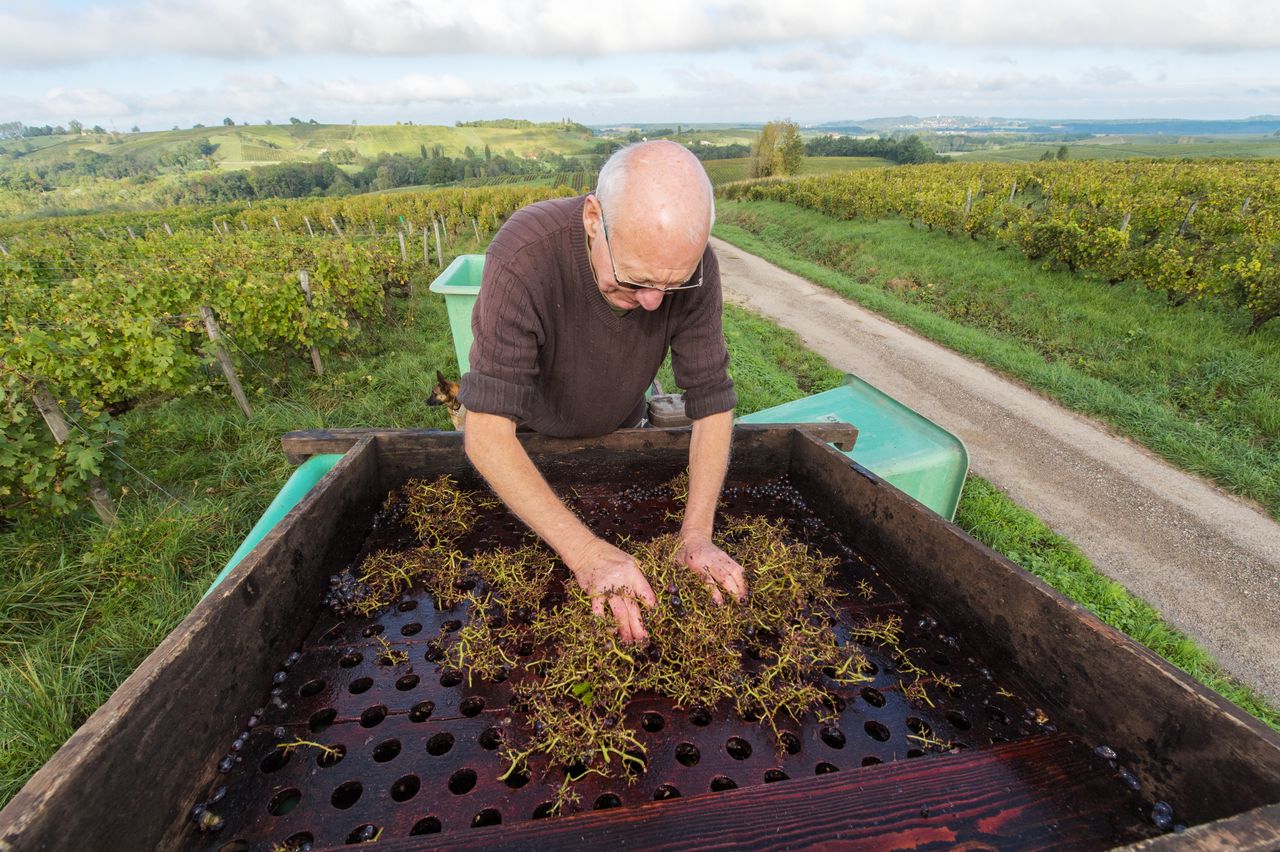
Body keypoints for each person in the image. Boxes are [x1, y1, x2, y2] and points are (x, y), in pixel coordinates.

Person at [458, 140, 746, 644]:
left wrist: (696, 535)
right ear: (594, 217)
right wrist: (588, 554)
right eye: (635, 280)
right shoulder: (524, 256)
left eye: (671, 285)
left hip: (619, 428)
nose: (655, 302)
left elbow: (713, 403)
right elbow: (485, 434)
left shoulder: (694, 270)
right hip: (525, 443)